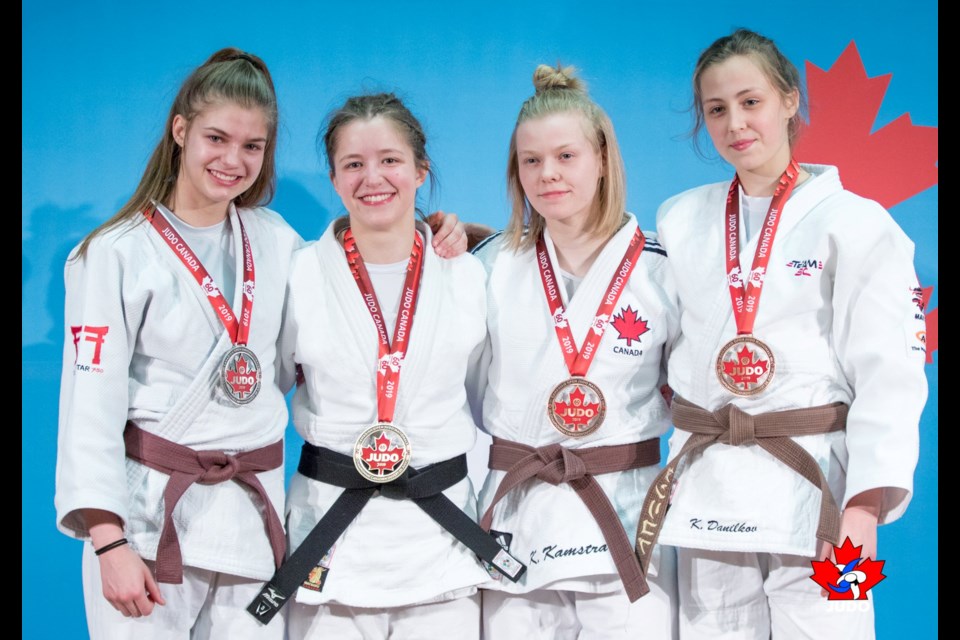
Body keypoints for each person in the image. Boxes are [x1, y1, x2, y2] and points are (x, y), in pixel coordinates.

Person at [54, 49, 466, 639]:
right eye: (217, 138)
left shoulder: (274, 242)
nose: (232, 160)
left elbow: (362, 261)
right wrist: (107, 537)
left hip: (251, 524)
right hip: (149, 525)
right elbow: (87, 408)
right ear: (180, 131)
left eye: (253, 146)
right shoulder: (114, 254)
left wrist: (449, 231)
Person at [640, 28, 928, 639]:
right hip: (708, 497)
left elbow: (891, 374)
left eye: (751, 102)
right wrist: (481, 240)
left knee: (841, 630)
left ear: (790, 100)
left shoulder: (857, 223)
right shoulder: (681, 218)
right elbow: (626, 303)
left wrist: (866, 506)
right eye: (716, 110)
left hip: (825, 495)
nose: (735, 124)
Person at [250, 92, 513, 640]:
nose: (373, 177)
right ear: (334, 178)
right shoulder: (299, 275)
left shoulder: (469, 275)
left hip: (440, 545)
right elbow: (256, 390)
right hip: (331, 542)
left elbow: (496, 401)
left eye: (390, 160)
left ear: (421, 171)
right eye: (354, 163)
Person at [471, 64, 679, 639]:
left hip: (626, 517)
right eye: (531, 161)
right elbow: (458, 397)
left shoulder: (661, 270)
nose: (548, 174)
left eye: (566, 156)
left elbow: (692, 402)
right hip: (517, 520)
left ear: (603, 158)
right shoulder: (488, 266)